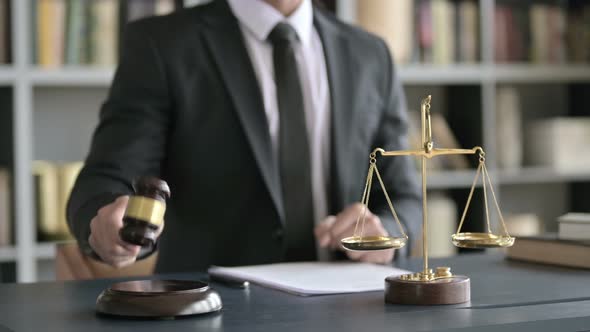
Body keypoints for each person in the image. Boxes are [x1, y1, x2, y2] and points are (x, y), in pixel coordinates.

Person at [67, 0, 421, 273]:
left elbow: (403, 196)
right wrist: (107, 224)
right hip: (214, 312)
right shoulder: (162, 45)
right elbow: (105, 181)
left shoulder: (370, 55)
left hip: (348, 310)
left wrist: (385, 232)